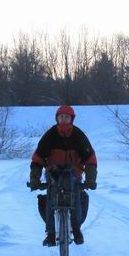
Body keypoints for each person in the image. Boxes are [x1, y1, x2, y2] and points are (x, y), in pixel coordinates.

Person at [30, 105, 97, 246]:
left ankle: (77, 229)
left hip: (74, 173)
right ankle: (51, 233)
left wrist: (91, 179)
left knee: (76, 195)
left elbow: (90, 159)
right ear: (57, 118)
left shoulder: (78, 135)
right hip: (53, 173)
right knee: (51, 197)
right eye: (61, 116)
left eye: (67, 116)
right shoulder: (50, 135)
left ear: (71, 119)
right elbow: (38, 158)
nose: (64, 119)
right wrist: (34, 179)